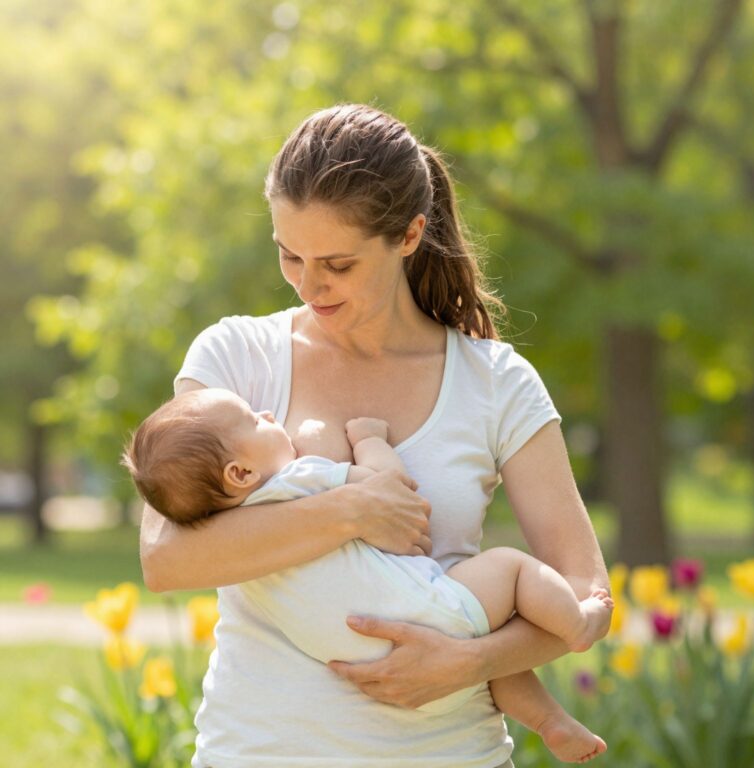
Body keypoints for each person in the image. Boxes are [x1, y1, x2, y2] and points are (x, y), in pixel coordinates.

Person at [139, 103, 611, 768]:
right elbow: (167, 560)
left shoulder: (495, 381)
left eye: (337, 262)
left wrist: (470, 659)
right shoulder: (236, 360)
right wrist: (353, 509)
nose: (310, 284)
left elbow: (586, 592)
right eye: (290, 255)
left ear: (411, 234)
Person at [124, 387, 610, 762]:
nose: (269, 415)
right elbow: (388, 490)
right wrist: (371, 440)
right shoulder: (296, 481)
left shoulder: (234, 545)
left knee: (484, 659)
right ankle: (576, 627)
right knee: (512, 568)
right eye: (255, 420)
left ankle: (551, 722)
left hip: (373, 666)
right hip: (431, 620)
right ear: (240, 474)